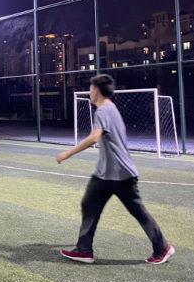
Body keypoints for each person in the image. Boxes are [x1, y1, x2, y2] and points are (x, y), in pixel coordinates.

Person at [56, 74, 174, 265]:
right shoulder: (111, 108)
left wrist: (67, 153)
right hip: (107, 174)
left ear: (97, 90)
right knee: (89, 204)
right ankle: (84, 250)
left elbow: (94, 137)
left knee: (136, 211)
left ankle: (162, 248)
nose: (89, 92)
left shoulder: (103, 111)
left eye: (91, 88)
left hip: (119, 174)